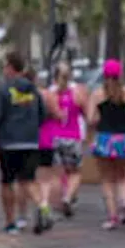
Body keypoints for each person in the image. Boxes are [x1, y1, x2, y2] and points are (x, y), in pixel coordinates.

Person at [0, 51, 47, 235]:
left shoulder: (2, 90)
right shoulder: (33, 89)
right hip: (30, 141)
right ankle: (42, 206)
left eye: (5, 66)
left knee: (7, 182)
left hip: (9, 142)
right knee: (28, 179)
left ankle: (10, 222)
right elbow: (42, 114)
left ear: (10, 68)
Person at [87, 59, 125, 230]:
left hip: (104, 139)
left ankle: (112, 217)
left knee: (107, 179)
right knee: (122, 176)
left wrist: (100, 120)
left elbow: (90, 119)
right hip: (124, 138)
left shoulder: (97, 94)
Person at [40, 62, 88, 218]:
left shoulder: (49, 94)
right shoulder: (78, 92)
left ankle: (53, 206)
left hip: (54, 137)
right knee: (75, 172)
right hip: (73, 137)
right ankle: (67, 197)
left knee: (56, 174)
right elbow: (87, 113)